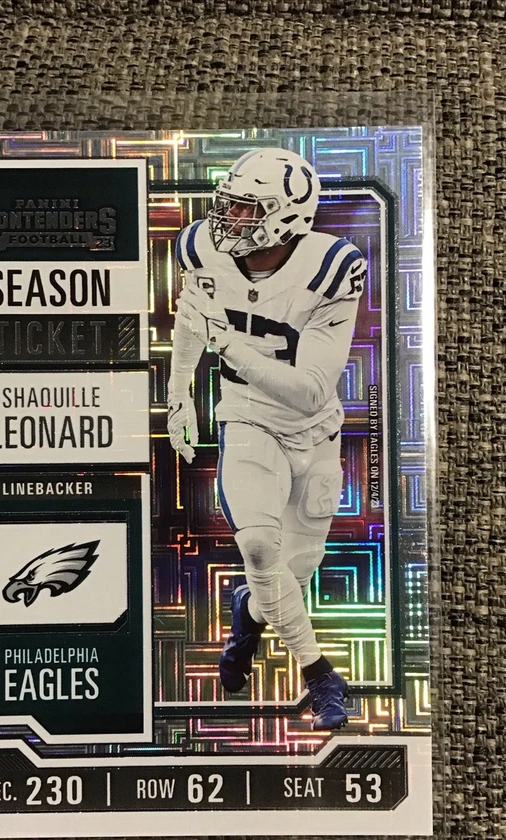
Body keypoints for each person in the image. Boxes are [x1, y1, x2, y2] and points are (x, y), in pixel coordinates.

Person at [167, 147, 366, 730]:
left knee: (292, 576)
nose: (227, 217)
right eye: (228, 204)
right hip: (246, 414)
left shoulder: (333, 267)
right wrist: (179, 393)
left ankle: (248, 615)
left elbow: (308, 389)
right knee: (258, 548)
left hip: (313, 427)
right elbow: (192, 317)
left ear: (287, 215)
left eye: (245, 208)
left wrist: (227, 343)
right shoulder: (201, 247)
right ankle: (320, 674)